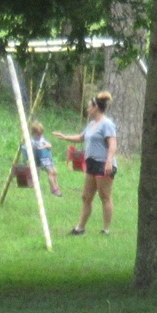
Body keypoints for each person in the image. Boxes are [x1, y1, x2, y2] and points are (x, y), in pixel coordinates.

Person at [54, 92, 117, 234]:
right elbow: (81, 138)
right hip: (91, 163)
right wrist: (65, 137)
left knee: (104, 196)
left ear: (96, 108)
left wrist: (109, 162)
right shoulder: (91, 124)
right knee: (86, 197)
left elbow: (112, 144)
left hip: (103, 164)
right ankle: (80, 228)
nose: (87, 110)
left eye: (89, 107)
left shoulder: (107, 124)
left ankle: (106, 229)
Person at [28, 119, 61, 197]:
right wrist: (42, 147)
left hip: (48, 159)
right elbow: (34, 149)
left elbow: (49, 145)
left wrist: (46, 146)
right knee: (50, 172)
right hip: (41, 160)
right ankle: (53, 189)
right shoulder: (33, 141)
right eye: (38, 134)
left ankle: (56, 185)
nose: (40, 136)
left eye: (41, 134)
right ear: (33, 133)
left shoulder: (42, 139)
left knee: (55, 171)